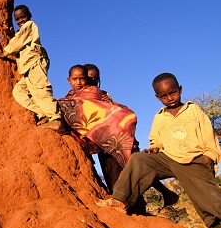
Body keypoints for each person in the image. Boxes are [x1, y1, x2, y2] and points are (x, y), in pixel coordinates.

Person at [96, 72, 221, 228]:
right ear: (157, 97)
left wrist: (210, 154)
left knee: (211, 197)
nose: (169, 98)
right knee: (139, 159)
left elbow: (208, 134)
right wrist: (154, 148)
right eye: (164, 96)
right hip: (168, 158)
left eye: (172, 93)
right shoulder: (159, 117)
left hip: (193, 159)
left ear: (180, 90)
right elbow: (156, 139)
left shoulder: (194, 111)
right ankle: (119, 200)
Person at [62, 65, 178, 211]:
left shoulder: (101, 95)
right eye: (88, 78)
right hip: (104, 143)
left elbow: (114, 115)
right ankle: (157, 196)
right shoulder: (73, 95)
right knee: (119, 173)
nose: (89, 81)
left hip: (118, 140)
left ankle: (141, 201)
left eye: (94, 79)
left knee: (133, 168)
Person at [0, 5, 61, 130]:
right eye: (17, 18)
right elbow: (20, 39)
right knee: (19, 91)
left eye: (23, 17)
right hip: (27, 69)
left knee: (41, 89)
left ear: (29, 16)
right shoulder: (22, 31)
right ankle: (42, 113)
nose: (20, 20)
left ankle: (56, 118)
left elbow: (19, 42)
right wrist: (12, 34)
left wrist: (4, 52)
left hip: (35, 64)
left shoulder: (30, 25)